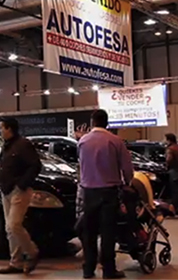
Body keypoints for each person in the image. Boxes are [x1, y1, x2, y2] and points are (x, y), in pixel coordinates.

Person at [78, 110, 133, 279]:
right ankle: (108, 270)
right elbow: (127, 169)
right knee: (108, 233)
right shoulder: (116, 141)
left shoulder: (82, 141)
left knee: (89, 233)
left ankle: (88, 269)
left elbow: (81, 167)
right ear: (107, 123)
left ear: (92, 122)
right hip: (109, 193)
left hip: (89, 193)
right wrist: (127, 183)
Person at [0, 118, 42, 275]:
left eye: (2, 127)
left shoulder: (23, 144)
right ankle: (15, 262)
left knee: (14, 224)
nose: (0, 130)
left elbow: (36, 165)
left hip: (18, 191)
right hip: (6, 190)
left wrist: (22, 184)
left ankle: (32, 253)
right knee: (9, 229)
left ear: (10, 129)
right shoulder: (6, 146)